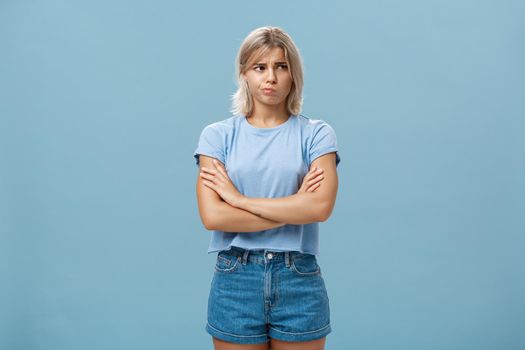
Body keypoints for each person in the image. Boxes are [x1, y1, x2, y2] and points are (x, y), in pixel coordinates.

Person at [193, 26, 341, 350]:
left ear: (293, 75)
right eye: (260, 67)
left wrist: (237, 199)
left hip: (298, 277)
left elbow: (319, 208)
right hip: (236, 278)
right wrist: (294, 207)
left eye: (281, 66)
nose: (270, 77)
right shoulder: (216, 137)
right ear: (244, 73)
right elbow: (214, 216)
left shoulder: (316, 135)